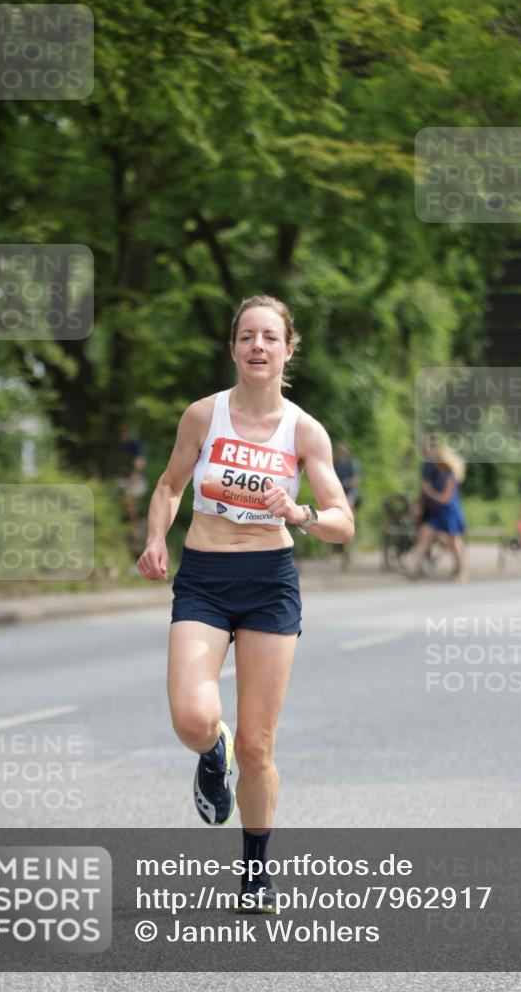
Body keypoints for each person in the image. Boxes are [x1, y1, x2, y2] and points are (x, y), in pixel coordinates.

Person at [136, 295, 354, 912]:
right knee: (191, 717)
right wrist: (156, 538)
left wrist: (302, 512)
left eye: (270, 337)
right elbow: (169, 485)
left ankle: (256, 872)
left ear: (288, 350)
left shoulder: (304, 430)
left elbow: (343, 521)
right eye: (247, 336)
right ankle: (211, 751)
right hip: (204, 576)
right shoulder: (203, 416)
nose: (258, 346)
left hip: (269, 582)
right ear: (233, 348)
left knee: (259, 745)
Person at [408, 445, 467, 581]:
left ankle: (462, 571)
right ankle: (413, 570)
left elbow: (445, 499)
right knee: (424, 538)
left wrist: (429, 491)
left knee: (454, 543)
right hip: (437, 513)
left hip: (450, 513)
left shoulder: (450, 475)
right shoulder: (437, 474)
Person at [117, 423, 148, 559]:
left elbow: (140, 460)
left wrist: (135, 474)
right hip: (125, 481)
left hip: (134, 482)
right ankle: (131, 527)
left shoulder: (132, 443)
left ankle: (134, 529)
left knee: (131, 503)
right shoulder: (121, 446)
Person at [332, 441, 362, 570]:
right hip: (338, 494)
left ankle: (349, 527)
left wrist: (349, 484)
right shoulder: (336, 464)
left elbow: (356, 480)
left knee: (348, 507)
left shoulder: (352, 463)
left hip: (350, 494)